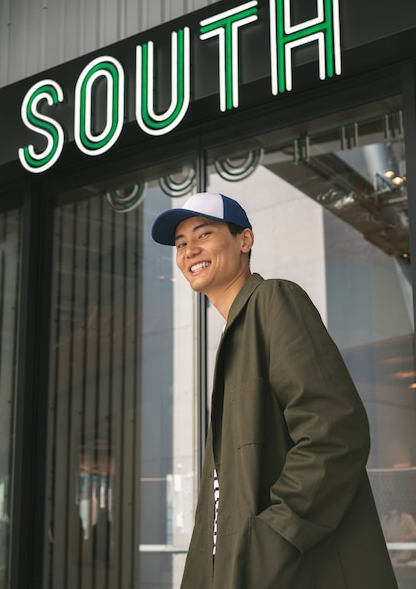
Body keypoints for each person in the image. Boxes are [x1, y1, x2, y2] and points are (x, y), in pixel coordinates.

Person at [152, 192, 398, 589]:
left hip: (285, 568)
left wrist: (274, 537)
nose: (189, 250)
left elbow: (334, 431)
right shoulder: (236, 335)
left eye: (204, 234)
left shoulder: (273, 301)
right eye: (181, 244)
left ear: (244, 240)